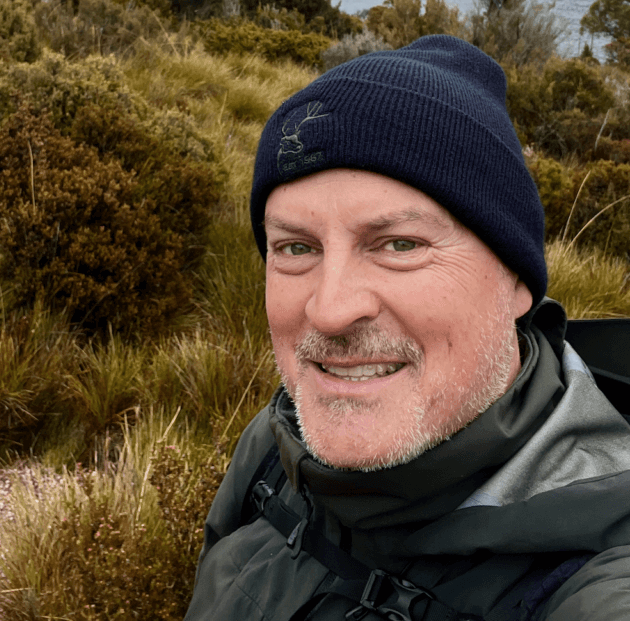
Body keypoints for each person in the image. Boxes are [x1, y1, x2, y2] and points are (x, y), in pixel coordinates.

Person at [184, 34, 630, 621]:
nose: (330, 309)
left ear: (517, 279)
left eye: (399, 244)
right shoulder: (274, 448)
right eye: (296, 247)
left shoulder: (597, 578)